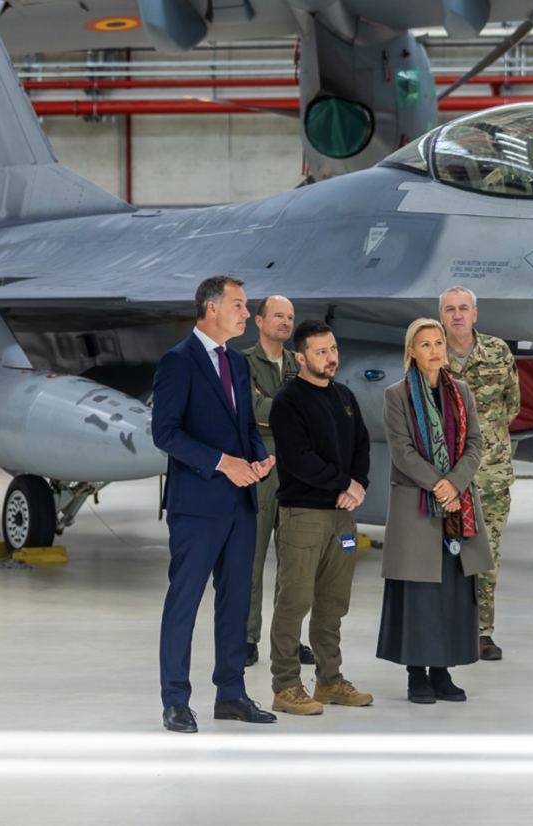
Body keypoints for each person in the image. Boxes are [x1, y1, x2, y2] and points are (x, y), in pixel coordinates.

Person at [151, 275, 277, 733]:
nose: (246, 313)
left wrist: (258, 459)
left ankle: (231, 694)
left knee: (236, 602)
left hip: (241, 502)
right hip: (197, 506)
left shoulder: (237, 363)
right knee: (184, 601)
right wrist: (224, 463)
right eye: (238, 305)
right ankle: (175, 700)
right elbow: (165, 433)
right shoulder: (177, 362)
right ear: (211, 308)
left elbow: (246, 428)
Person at [376, 319, 494, 704]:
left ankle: (442, 672)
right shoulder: (396, 396)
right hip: (417, 506)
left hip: (456, 505)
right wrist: (439, 485)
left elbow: (475, 443)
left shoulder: (461, 392)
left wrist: (454, 483)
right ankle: (417, 675)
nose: (434, 350)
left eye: (438, 343)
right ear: (411, 351)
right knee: (419, 593)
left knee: (451, 590)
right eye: (425, 344)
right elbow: (402, 451)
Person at [267, 320, 374, 714]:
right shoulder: (288, 401)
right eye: (321, 352)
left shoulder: (343, 395)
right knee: (294, 602)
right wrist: (344, 484)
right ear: (301, 357)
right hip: (304, 516)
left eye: (333, 349)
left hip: (342, 518)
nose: (331, 358)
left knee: (333, 603)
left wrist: (358, 485)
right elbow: (299, 460)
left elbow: (361, 444)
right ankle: (285, 686)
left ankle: (329, 680)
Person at [439, 286, 520, 661]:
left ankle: (482, 632)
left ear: (475, 314)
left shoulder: (498, 351)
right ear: (441, 316)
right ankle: (446, 629)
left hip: (490, 474)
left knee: (486, 554)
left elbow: (512, 405)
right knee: (445, 554)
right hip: (445, 476)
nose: (457, 315)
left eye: (463, 308)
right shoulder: (430, 353)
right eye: (450, 309)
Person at [242, 295, 313, 669]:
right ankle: (245, 637)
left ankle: (289, 640)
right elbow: (250, 410)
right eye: (278, 316)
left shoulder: (299, 363)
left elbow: (315, 408)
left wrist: (285, 410)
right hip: (258, 470)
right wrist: (295, 410)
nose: (286, 322)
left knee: (295, 564)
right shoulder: (242, 364)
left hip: (295, 471)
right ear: (259, 320)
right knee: (250, 559)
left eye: (290, 317)